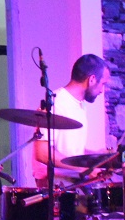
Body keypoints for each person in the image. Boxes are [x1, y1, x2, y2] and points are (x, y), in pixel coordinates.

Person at [31, 54, 112, 187]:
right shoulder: (56, 103)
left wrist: (98, 156)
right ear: (92, 79)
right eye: (102, 84)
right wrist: (84, 169)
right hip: (55, 186)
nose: (102, 91)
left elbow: (70, 152)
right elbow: (42, 152)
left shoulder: (79, 105)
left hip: (71, 183)